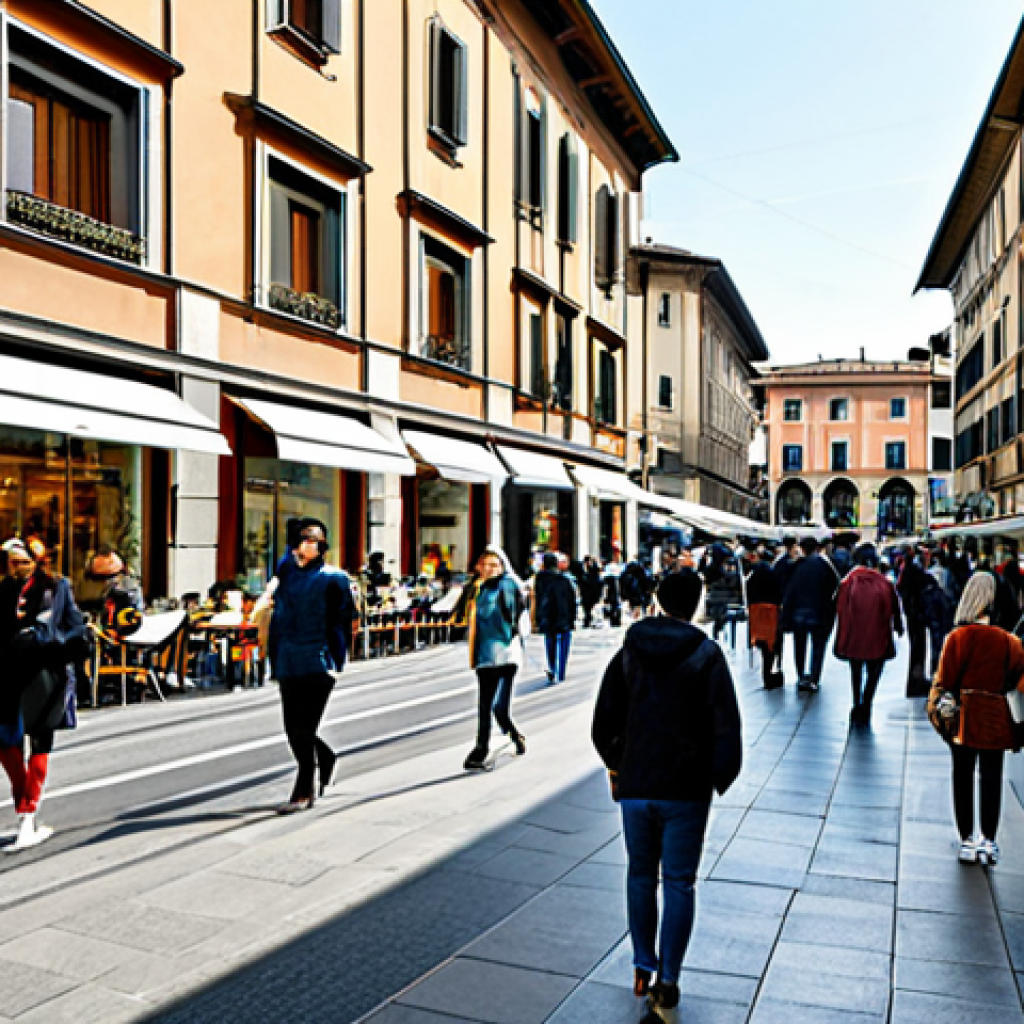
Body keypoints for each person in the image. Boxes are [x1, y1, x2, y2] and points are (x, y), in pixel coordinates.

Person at [592, 570, 742, 1019]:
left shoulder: (628, 650)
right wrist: (719, 775)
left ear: (657, 599)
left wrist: (618, 762)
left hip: (637, 784)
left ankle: (642, 964)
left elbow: (605, 721)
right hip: (686, 789)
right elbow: (726, 725)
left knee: (640, 875)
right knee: (679, 881)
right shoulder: (706, 654)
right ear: (696, 603)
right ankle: (669, 978)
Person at [927, 573, 1024, 866]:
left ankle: (967, 839)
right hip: (996, 718)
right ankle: (989, 841)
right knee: (992, 777)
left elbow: (944, 682)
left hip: (963, 718)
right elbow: (1017, 680)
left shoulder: (957, 638)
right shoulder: (1010, 642)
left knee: (963, 774)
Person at [0, 538, 86, 851]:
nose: (17, 568)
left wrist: (58, 644)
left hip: (45, 671)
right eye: (12, 562)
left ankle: (27, 815)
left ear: (37, 561)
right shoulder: (5, 589)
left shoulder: (57, 587)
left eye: (22, 562)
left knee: (40, 741)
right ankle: (25, 805)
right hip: (8, 672)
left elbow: (75, 625)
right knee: (5, 742)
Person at [268, 518, 354, 814]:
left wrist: (338, 655)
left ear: (323, 546)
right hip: (288, 657)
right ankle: (325, 757)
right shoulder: (287, 572)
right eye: (302, 540)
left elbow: (345, 618)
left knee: (305, 728)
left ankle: (304, 788)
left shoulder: (335, 578)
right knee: (293, 729)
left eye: (313, 541)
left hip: (319, 659)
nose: (307, 546)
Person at [463, 547, 528, 770]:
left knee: (499, 707)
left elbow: (515, 613)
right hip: (483, 654)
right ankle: (480, 748)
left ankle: (515, 736)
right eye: (485, 565)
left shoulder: (507, 584)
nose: (489, 569)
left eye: (494, 565)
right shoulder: (476, 589)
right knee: (484, 706)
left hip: (506, 653)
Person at [834, 543, 903, 725]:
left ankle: (857, 702)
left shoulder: (848, 582)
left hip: (854, 634)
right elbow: (894, 608)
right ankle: (867, 701)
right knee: (875, 670)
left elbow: (837, 607)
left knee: (855, 670)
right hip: (878, 634)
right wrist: (898, 626)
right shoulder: (884, 583)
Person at [780, 536, 838, 692]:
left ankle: (801, 676)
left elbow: (789, 591)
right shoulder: (825, 565)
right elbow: (835, 586)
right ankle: (814, 677)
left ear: (803, 549)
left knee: (799, 646)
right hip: (820, 612)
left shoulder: (797, 566)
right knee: (818, 647)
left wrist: (786, 614)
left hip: (798, 613)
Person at [532, 552, 577, 683]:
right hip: (564, 616)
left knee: (550, 642)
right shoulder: (564, 579)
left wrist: (536, 618)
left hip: (547, 616)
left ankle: (552, 667)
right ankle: (561, 671)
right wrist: (572, 617)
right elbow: (571, 600)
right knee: (564, 644)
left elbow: (537, 599)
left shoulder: (540, 579)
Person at [746, 548, 783, 689]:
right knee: (772, 643)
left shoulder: (753, 575)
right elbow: (779, 592)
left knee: (763, 642)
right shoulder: (774, 574)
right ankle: (771, 672)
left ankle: (767, 673)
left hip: (756, 611)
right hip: (771, 612)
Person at [898, 545, 929, 696]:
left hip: (912, 614)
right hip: (916, 614)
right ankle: (916, 681)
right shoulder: (914, 571)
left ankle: (916, 680)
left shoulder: (907, 571)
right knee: (918, 648)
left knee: (917, 648)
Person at [579, 556, 602, 628]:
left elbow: (597, 582)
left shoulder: (593, 570)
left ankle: (590, 621)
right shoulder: (584, 570)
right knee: (587, 608)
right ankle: (588, 620)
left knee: (591, 608)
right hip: (586, 593)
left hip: (592, 592)